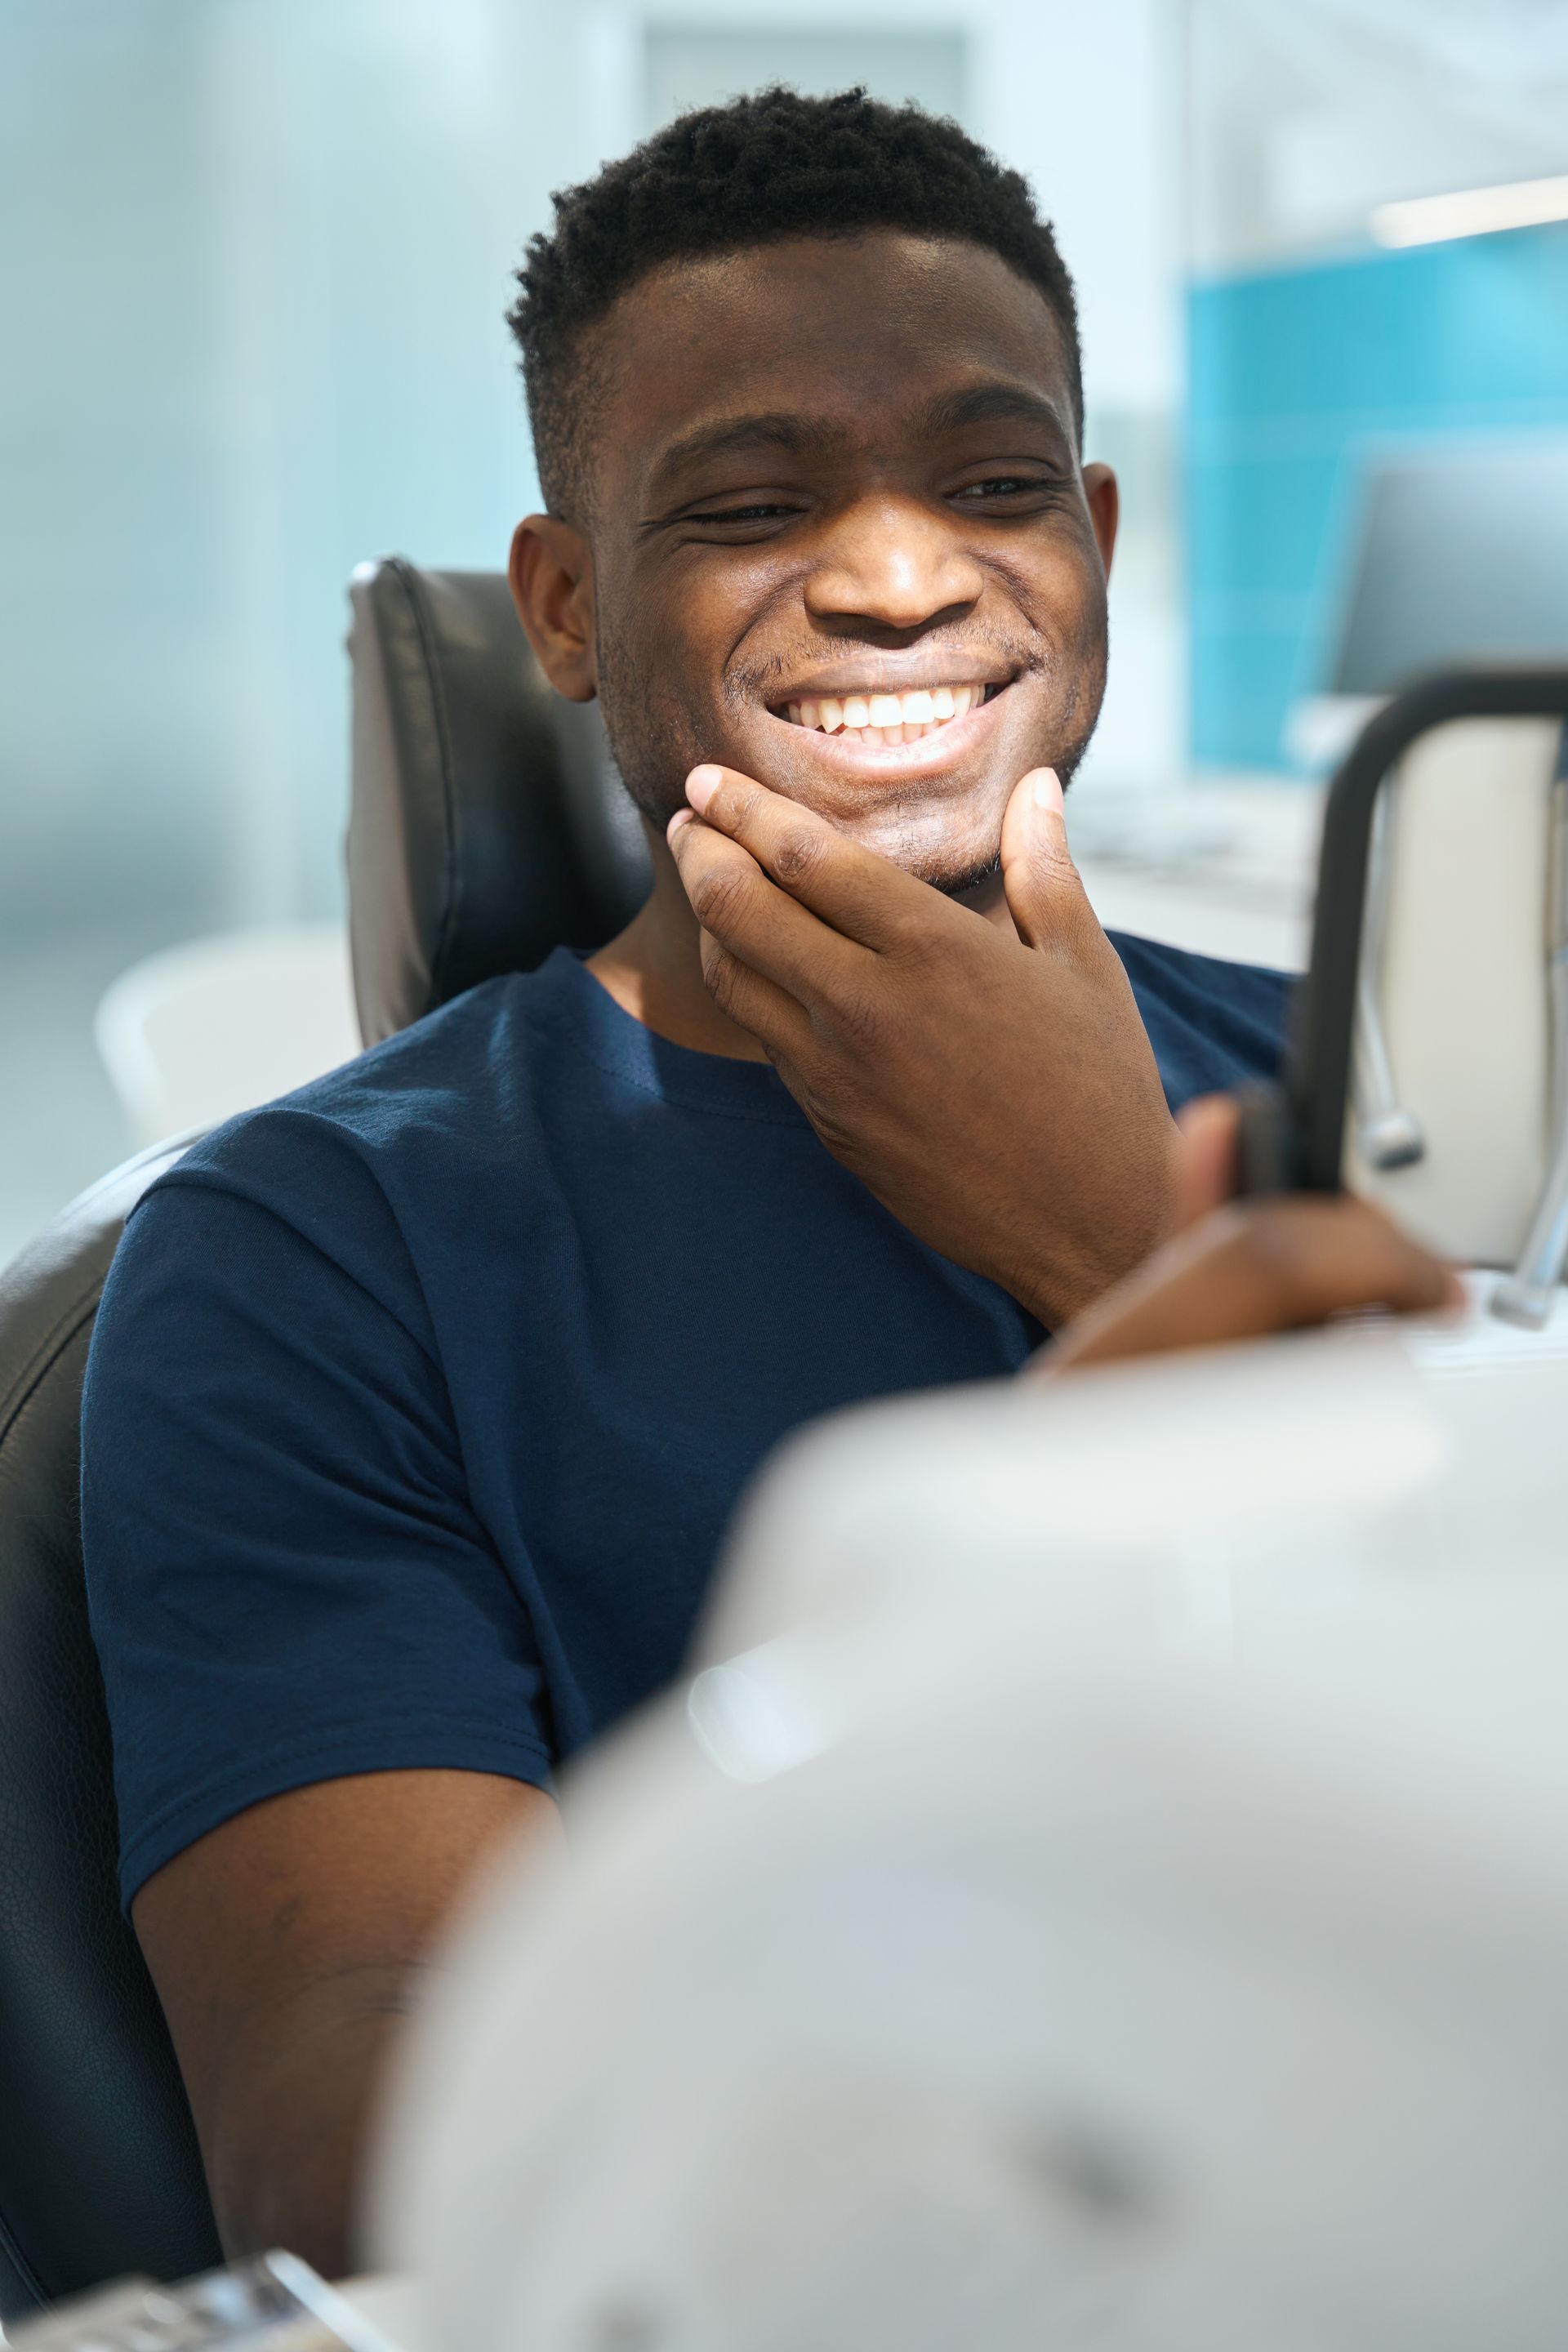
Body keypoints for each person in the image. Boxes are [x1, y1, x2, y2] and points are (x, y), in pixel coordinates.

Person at [79, 88, 1451, 2276]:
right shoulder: (308, 1264)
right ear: (561, 603)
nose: (906, 577)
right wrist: (1070, 1406)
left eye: (1001, 487)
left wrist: (1129, 1218)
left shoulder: (1345, 1075)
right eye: (748, 502)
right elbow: (362, 2171)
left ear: (1094, 530)